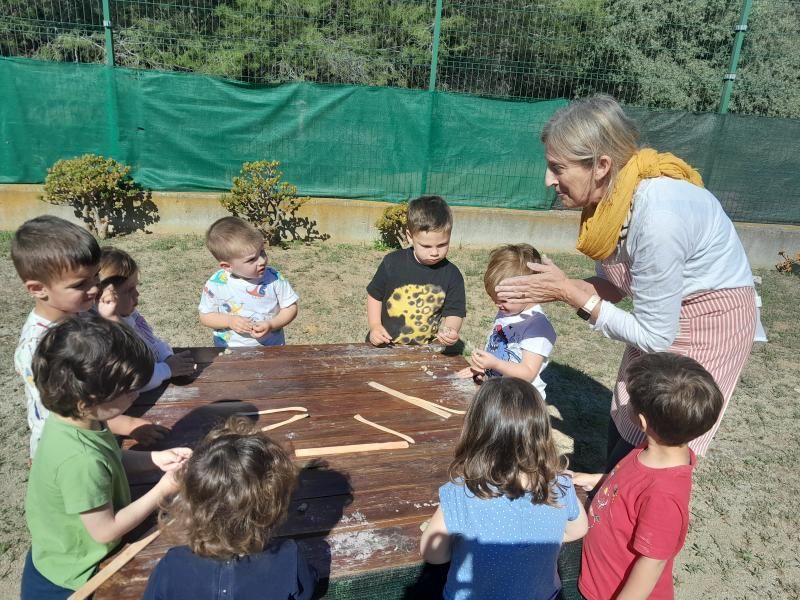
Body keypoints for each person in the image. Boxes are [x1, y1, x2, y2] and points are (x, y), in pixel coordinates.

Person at [495, 95, 758, 470]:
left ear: (601, 166)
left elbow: (654, 337)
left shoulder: (658, 218)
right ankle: (613, 482)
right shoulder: (612, 204)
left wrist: (569, 293)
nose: (548, 180)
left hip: (708, 324)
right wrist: (553, 290)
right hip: (662, 321)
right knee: (628, 410)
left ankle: (632, 491)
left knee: (663, 429)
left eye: (558, 168)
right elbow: (614, 286)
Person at [21, 314, 192, 599]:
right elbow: (106, 531)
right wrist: (163, 490)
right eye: (128, 391)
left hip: (64, 550)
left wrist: (155, 459)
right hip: (74, 575)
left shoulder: (74, 421)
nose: (136, 395)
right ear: (87, 402)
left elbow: (108, 458)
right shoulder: (79, 460)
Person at [11, 215, 167, 458]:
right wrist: (129, 425)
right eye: (79, 284)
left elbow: (129, 357)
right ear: (38, 289)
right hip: (67, 454)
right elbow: (67, 412)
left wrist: (111, 319)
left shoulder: (86, 312)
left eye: (96, 277)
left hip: (99, 433)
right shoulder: (39, 346)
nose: (94, 288)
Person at [420, 377, 588, 600]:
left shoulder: (461, 494)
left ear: (476, 432)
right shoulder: (560, 485)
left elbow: (433, 554)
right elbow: (578, 529)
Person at [578, 353, 724, 600]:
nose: (626, 405)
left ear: (643, 421)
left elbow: (652, 563)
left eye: (630, 402)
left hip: (608, 593)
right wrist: (596, 480)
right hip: (597, 576)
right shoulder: (650, 450)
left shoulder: (663, 495)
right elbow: (628, 486)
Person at [142, 418, 316, 600]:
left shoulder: (172, 565)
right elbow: (305, 590)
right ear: (273, 511)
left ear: (190, 503)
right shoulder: (289, 558)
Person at [457, 244, 556, 400]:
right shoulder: (508, 310)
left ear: (529, 291)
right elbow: (496, 345)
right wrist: (482, 368)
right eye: (494, 299)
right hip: (498, 392)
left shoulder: (537, 326)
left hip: (520, 401)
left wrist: (495, 364)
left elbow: (528, 373)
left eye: (503, 300)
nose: (498, 305)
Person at [367, 195, 466, 346]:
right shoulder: (392, 263)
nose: (434, 252)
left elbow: (455, 311)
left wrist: (451, 330)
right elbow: (375, 295)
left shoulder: (452, 274)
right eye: (426, 246)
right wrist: (375, 326)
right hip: (384, 344)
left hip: (423, 350)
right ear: (410, 237)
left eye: (442, 245)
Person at [97, 247, 196, 392]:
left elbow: (152, 341)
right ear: (103, 299)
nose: (137, 294)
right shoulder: (105, 334)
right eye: (128, 290)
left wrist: (167, 357)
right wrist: (167, 369)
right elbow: (134, 377)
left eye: (135, 287)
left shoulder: (130, 314)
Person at [199, 217, 299, 347]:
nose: (262, 261)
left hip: (272, 349)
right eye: (251, 260)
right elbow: (205, 316)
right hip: (230, 351)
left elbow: (290, 307)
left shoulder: (273, 277)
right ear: (227, 266)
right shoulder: (216, 284)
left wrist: (271, 324)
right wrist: (229, 321)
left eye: (262, 252)